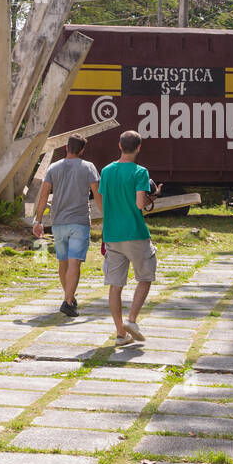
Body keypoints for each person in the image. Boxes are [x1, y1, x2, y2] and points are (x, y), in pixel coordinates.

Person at [98, 130, 161, 346]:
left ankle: (120, 333)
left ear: (119, 145)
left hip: (112, 235)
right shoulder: (140, 172)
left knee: (115, 285)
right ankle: (132, 320)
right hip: (135, 232)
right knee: (145, 277)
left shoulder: (106, 171)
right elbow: (140, 204)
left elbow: (106, 200)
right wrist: (154, 196)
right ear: (139, 147)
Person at [32, 134, 100, 317]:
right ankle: (68, 301)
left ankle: (68, 297)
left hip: (58, 222)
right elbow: (97, 193)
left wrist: (38, 221)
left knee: (63, 262)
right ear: (82, 150)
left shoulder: (53, 168)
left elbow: (44, 194)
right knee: (74, 262)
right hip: (79, 222)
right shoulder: (88, 167)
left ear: (66, 148)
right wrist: (105, 216)